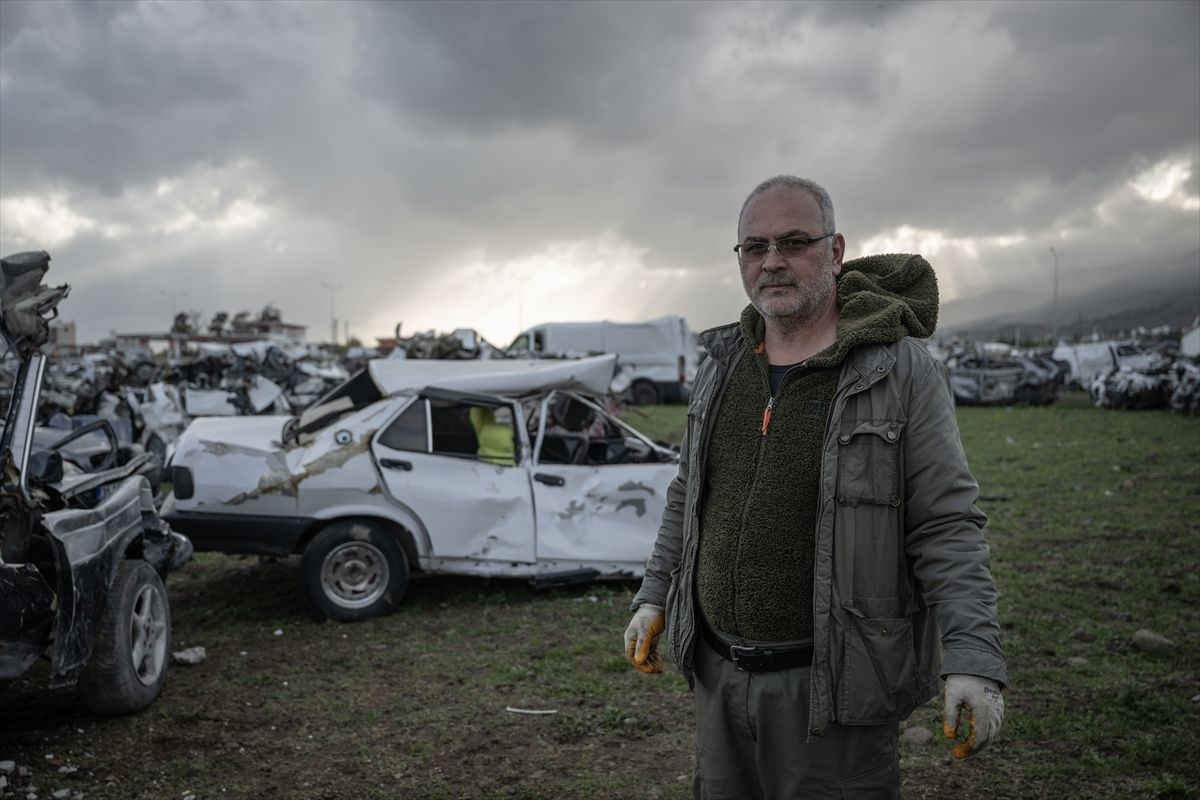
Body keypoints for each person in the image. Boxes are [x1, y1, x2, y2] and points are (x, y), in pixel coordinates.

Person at [623, 176, 1007, 799]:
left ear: (835, 251)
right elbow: (689, 494)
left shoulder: (896, 370)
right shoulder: (724, 365)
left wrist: (973, 660)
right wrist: (655, 594)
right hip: (719, 679)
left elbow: (946, 523)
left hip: (834, 689)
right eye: (754, 246)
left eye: (794, 241)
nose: (772, 260)